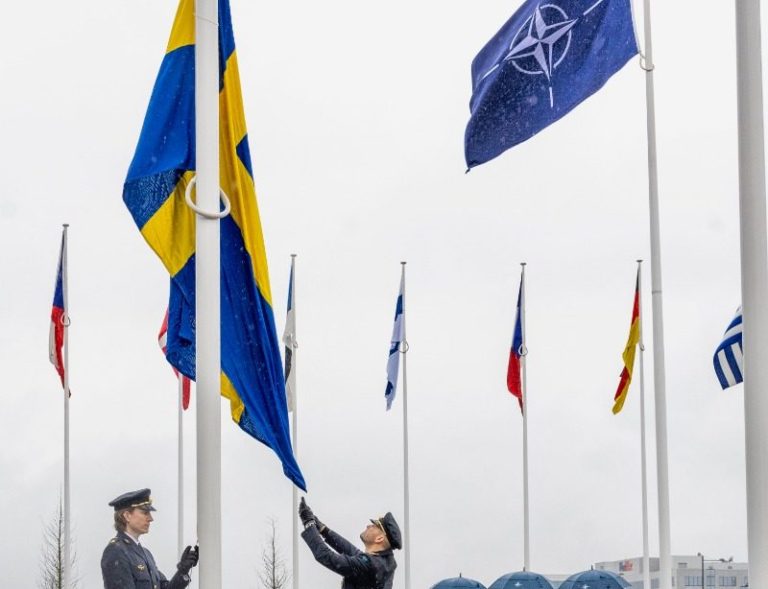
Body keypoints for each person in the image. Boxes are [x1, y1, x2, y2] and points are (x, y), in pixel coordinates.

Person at [101, 488, 199, 589]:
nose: (151, 518)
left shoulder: (145, 554)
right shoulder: (116, 551)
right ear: (127, 516)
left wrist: (183, 571)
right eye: (145, 513)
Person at [299, 497, 401, 589]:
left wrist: (309, 523)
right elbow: (350, 550)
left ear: (379, 538)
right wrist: (322, 529)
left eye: (374, 526)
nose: (368, 526)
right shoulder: (383, 562)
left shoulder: (371, 565)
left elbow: (326, 556)